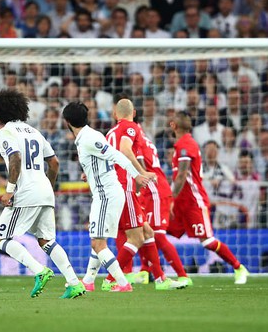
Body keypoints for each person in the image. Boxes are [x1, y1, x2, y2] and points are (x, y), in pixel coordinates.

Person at [0, 89, 84, 299]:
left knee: (1, 239)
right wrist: (48, 188)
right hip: (44, 190)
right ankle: (74, 283)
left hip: (25, 192)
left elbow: (15, 159)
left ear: (0, 111)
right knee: (47, 241)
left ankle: (39, 270)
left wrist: (9, 191)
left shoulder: (5, 132)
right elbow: (54, 163)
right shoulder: (34, 132)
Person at [62, 101, 154, 293]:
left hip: (106, 194)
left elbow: (118, 155)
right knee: (97, 239)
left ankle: (122, 283)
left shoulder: (88, 138)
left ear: (67, 121)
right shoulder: (88, 137)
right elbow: (101, 159)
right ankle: (88, 281)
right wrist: (88, 171)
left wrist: (137, 174)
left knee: (98, 243)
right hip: (107, 193)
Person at [101, 99, 185, 291]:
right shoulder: (131, 127)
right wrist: (141, 173)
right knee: (136, 237)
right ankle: (110, 279)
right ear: (135, 112)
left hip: (113, 187)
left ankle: (161, 280)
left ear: (115, 114)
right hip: (125, 186)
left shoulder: (109, 133)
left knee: (147, 232)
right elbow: (125, 149)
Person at [170, 112, 248, 284]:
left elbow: (182, 175)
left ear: (174, 126)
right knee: (157, 232)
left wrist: (170, 198)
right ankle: (159, 274)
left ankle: (238, 267)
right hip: (180, 203)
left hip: (193, 203)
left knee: (207, 241)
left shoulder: (186, 144)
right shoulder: (182, 145)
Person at [131, 125, 192, 286]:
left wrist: (137, 189)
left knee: (156, 235)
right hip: (149, 190)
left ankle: (183, 275)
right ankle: (146, 271)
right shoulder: (145, 140)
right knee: (144, 231)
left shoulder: (136, 140)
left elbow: (142, 168)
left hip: (154, 190)